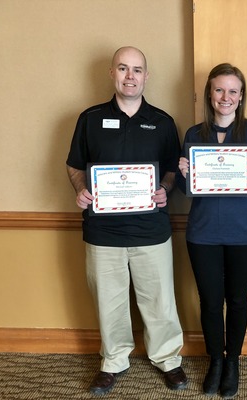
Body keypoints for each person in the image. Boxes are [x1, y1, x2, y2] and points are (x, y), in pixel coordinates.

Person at [66, 46, 187, 395]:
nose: (130, 76)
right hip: (102, 232)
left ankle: (168, 359)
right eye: (123, 68)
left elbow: (170, 170)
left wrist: (165, 189)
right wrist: (81, 190)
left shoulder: (162, 122)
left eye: (137, 70)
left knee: (159, 299)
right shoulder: (89, 118)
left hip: (151, 229)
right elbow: (75, 165)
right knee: (109, 301)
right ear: (112, 73)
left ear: (146, 77)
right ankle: (113, 361)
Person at [175, 63, 247, 399]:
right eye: (219, 90)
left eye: (233, 90)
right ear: (209, 94)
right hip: (202, 232)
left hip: (245, 232)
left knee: (236, 299)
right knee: (209, 300)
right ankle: (215, 360)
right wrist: (183, 173)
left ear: (242, 96)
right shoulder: (193, 135)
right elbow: (184, 189)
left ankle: (233, 362)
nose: (226, 97)